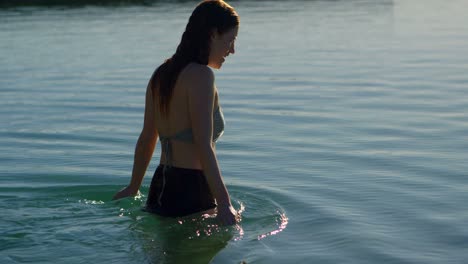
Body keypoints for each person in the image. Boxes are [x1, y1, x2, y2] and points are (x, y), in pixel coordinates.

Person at [113, 0, 240, 226]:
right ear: (212, 34)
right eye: (230, 41)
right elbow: (204, 145)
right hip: (192, 190)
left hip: (160, 184)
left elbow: (146, 139)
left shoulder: (161, 74)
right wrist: (224, 202)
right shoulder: (202, 76)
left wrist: (133, 187)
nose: (232, 50)